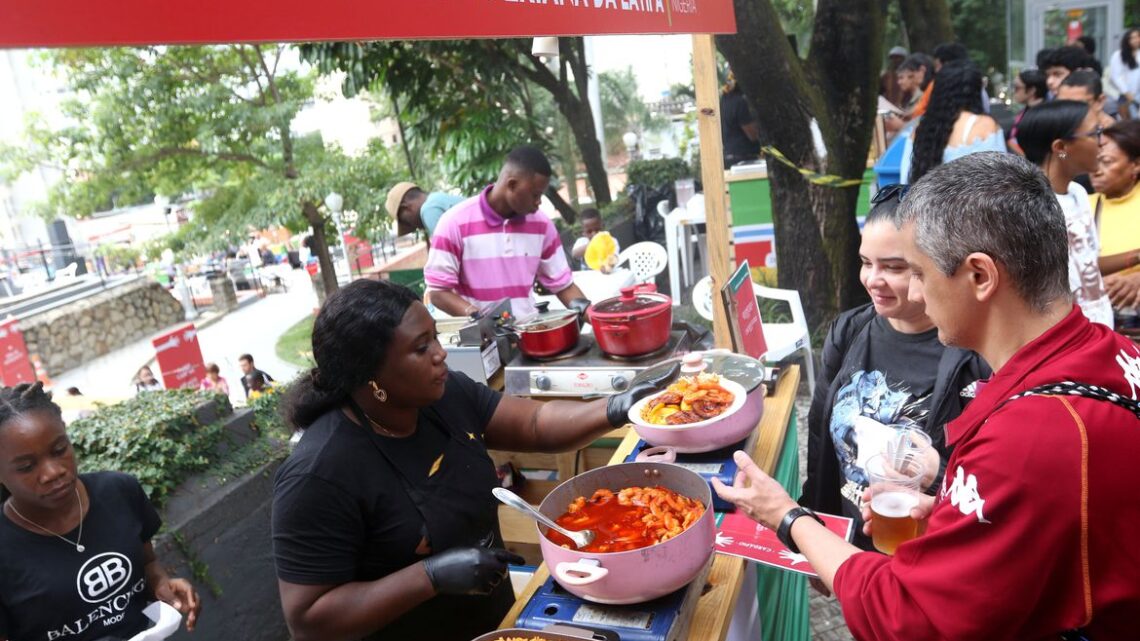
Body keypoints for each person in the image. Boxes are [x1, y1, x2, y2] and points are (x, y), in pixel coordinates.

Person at [712, 152, 1140, 639]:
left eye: (915, 271)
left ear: (980, 276)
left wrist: (787, 516)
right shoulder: (1110, 351)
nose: (909, 291)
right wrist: (950, 517)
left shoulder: (1033, 433)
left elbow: (909, 616)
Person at [271, 280, 677, 641]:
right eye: (421, 347)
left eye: (435, 337)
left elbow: (535, 423)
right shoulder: (318, 474)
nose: (440, 354)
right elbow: (308, 620)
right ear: (371, 379)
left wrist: (620, 406)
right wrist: (430, 577)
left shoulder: (443, 397)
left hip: (495, 623)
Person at [801, 184, 988, 555]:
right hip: (855, 545)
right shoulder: (849, 331)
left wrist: (938, 475)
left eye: (894, 267)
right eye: (866, 263)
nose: (873, 279)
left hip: (933, 551)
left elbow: (995, 475)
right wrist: (818, 533)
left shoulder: (974, 351)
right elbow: (821, 435)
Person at [0, 382, 202, 641]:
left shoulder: (119, 491)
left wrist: (160, 584)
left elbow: (148, 562)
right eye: (27, 466)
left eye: (59, 450)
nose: (53, 472)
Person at [424, 145, 589, 319]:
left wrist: (596, 317)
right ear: (512, 185)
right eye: (535, 195)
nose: (538, 202)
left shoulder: (542, 225)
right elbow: (438, 292)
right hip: (484, 342)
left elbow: (564, 286)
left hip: (531, 333)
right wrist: (483, 321)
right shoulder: (454, 222)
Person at [1017, 99, 1114, 327]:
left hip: (1100, 328)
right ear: (1060, 148)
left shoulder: (1078, 193)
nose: (1102, 143)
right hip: (1069, 341)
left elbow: (1088, 261)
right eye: (1095, 133)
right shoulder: (1028, 208)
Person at [901, 60, 1005, 184]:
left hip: (921, 202)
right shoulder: (984, 125)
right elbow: (998, 184)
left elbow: (905, 180)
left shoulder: (921, 128)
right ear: (976, 90)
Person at [1089, 120, 1140, 310]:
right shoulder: (1083, 206)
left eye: (1107, 162)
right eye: (1094, 161)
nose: (1096, 171)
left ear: (1136, 164)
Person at [386, 183, 465, 240]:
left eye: (407, 222)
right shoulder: (437, 198)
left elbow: (449, 252)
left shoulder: (429, 210)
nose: (415, 227)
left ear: (406, 208)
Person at [719, 72, 760, 167]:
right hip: (744, 160)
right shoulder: (740, 102)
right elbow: (752, 135)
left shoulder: (723, 100)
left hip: (728, 156)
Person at [1007, 68, 1047, 155]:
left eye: (1017, 88)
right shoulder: (1027, 110)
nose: (1014, 91)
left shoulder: (1043, 116)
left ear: (1032, 90)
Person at [1109, 28, 1140, 119]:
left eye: (1137, 37)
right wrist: (1127, 93)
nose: (1136, 40)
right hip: (1125, 95)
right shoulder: (1118, 55)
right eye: (1132, 38)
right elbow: (1116, 76)